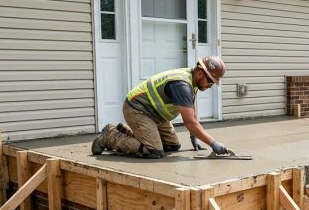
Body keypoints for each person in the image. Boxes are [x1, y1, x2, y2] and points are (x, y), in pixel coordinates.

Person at [91, 56, 231, 159]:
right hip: (137, 108)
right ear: (200, 73)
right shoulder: (182, 85)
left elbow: (192, 113)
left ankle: (125, 131)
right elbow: (189, 122)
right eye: (210, 82)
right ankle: (110, 136)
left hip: (156, 114)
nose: (209, 86)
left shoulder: (192, 82)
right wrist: (213, 143)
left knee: (172, 146)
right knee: (154, 151)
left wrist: (194, 136)